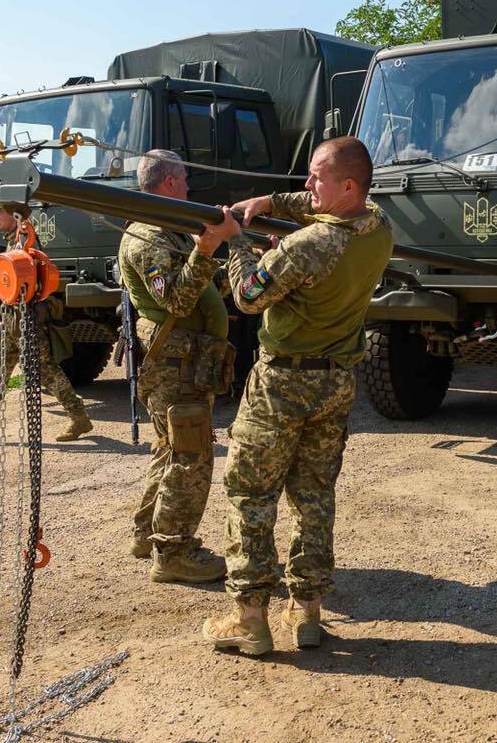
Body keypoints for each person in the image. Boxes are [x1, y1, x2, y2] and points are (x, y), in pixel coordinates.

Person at [196, 137, 393, 656]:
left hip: (282, 383)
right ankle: (306, 613)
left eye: (316, 178)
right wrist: (270, 203)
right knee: (313, 496)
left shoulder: (309, 247)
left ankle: (250, 619)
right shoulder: (377, 226)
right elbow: (314, 205)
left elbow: (248, 295)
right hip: (335, 382)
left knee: (250, 494)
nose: (307, 187)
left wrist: (236, 240)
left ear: (347, 186)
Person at [118, 149, 236, 585]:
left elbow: (202, 283)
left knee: (172, 447)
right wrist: (206, 248)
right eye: (183, 179)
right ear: (168, 183)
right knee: (191, 454)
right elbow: (177, 300)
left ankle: (148, 534)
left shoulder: (166, 229)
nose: (188, 187)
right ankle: (173, 552)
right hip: (175, 361)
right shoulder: (150, 237)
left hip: (181, 357)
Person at [0, 202, 95, 445]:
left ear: (14, 215)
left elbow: (25, 282)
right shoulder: (15, 240)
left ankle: (78, 416)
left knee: (45, 370)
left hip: (24, 320)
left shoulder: (26, 240)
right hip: (10, 319)